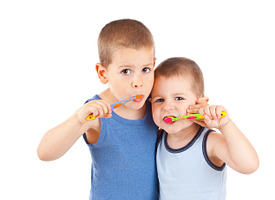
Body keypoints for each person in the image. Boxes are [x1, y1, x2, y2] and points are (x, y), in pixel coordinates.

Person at [37, 19, 159, 200]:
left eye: (146, 69)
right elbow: (44, 152)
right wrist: (77, 120)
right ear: (103, 73)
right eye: (126, 71)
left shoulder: (156, 104)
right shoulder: (96, 114)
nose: (138, 83)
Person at [150, 57, 259, 200]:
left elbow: (249, 165)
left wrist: (225, 125)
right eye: (160, 100)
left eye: (179, 98)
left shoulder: (209, 142)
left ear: (200, 103)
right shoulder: (157, 139)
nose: (167, 106)